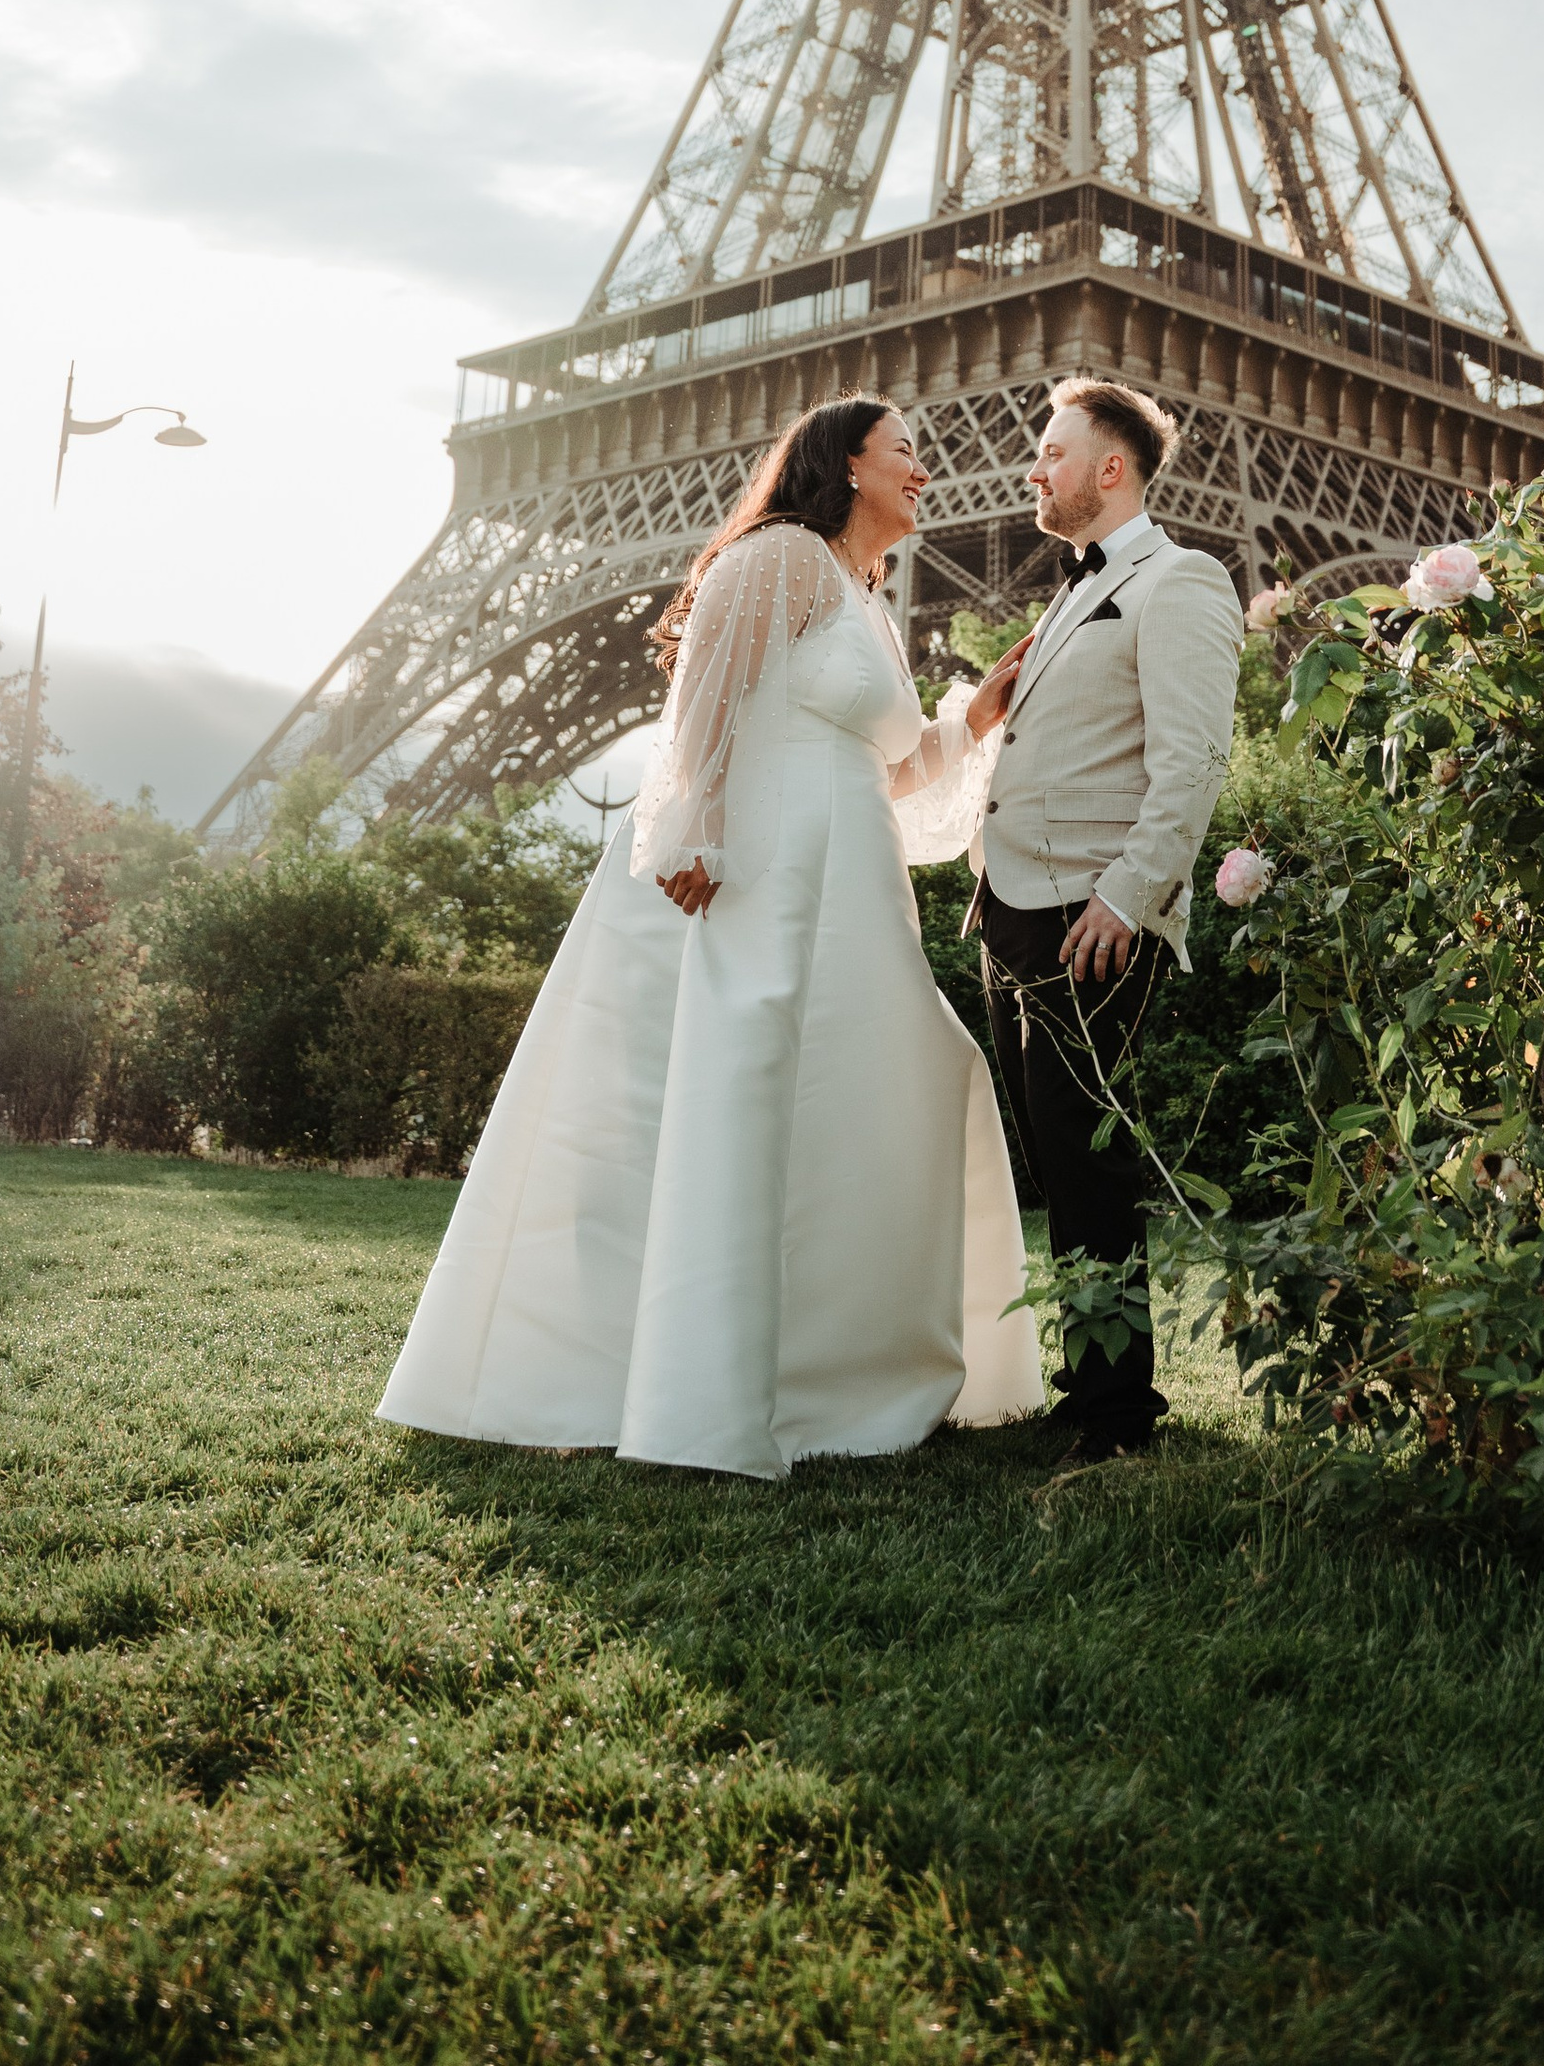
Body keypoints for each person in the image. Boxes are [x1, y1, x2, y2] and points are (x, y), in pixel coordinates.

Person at [376, 395, 1043, 1477]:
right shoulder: (777, 558)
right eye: (907, 452)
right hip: (762, 873)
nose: (928, 470)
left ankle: (836, 1374)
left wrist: (972, 720)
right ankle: (708, 1396)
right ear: (846, 464)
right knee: (740, 1099)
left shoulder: (865, 599)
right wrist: (694, 832)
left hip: (850, 885)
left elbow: (890, 769)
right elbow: (704, 702)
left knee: (900, 1084)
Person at [970, 379, 1245, 1461]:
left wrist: (1128, 895)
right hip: (1013, 911)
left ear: (1110, 469)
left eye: (1051, 453)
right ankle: (1086, 1385)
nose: (1033, 471)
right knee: (1056, 1153)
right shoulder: (1075, 590)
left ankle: (1116, 1413)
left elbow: (1192, 761)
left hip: (1090, 914)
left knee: (1087, 1156)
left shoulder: (1177, 581)